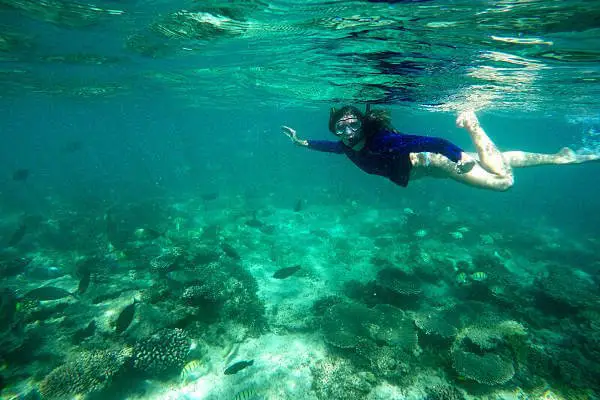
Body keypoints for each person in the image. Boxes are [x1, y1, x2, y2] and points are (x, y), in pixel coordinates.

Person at [282, 106, 599, 191]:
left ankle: (473, 125)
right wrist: (301, 143)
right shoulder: (347, 147)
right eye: (341, 128)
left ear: (362, 124)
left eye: (352, 124)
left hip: (437, 163)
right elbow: (330, 148)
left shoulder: (383, 141)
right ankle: (561, 157)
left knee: (503, 182)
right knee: (494, 161)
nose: (347, 132)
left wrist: (456, 157)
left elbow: (434, 142)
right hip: (428, 169)